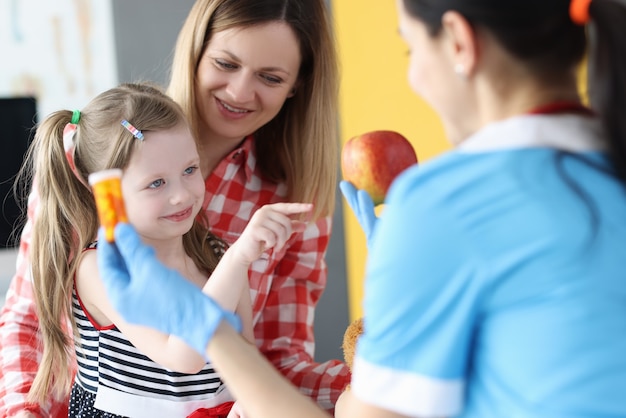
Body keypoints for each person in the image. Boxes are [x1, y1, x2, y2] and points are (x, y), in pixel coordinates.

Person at [97, 0, 626, 417]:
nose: (415, 77)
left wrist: (209, 330)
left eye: (409, 52)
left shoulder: (444, 203)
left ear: (460, 43)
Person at [0, 0, 348, 416]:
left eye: (270, 77)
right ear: (197, 51)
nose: (239, 92)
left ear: (297, 85)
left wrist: (372, 382)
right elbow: (28, 323)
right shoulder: (97, 176)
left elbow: (262, 362)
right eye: (226, 63)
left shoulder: (287, 206)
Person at [17, 81, 314, 417]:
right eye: (156, 183)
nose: (183, 195)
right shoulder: (101, 267)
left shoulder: (214, 254)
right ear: (104, 191)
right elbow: (183, 357)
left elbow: (244, 355)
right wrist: (238, 259)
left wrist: (245, 405)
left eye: (190, 169)